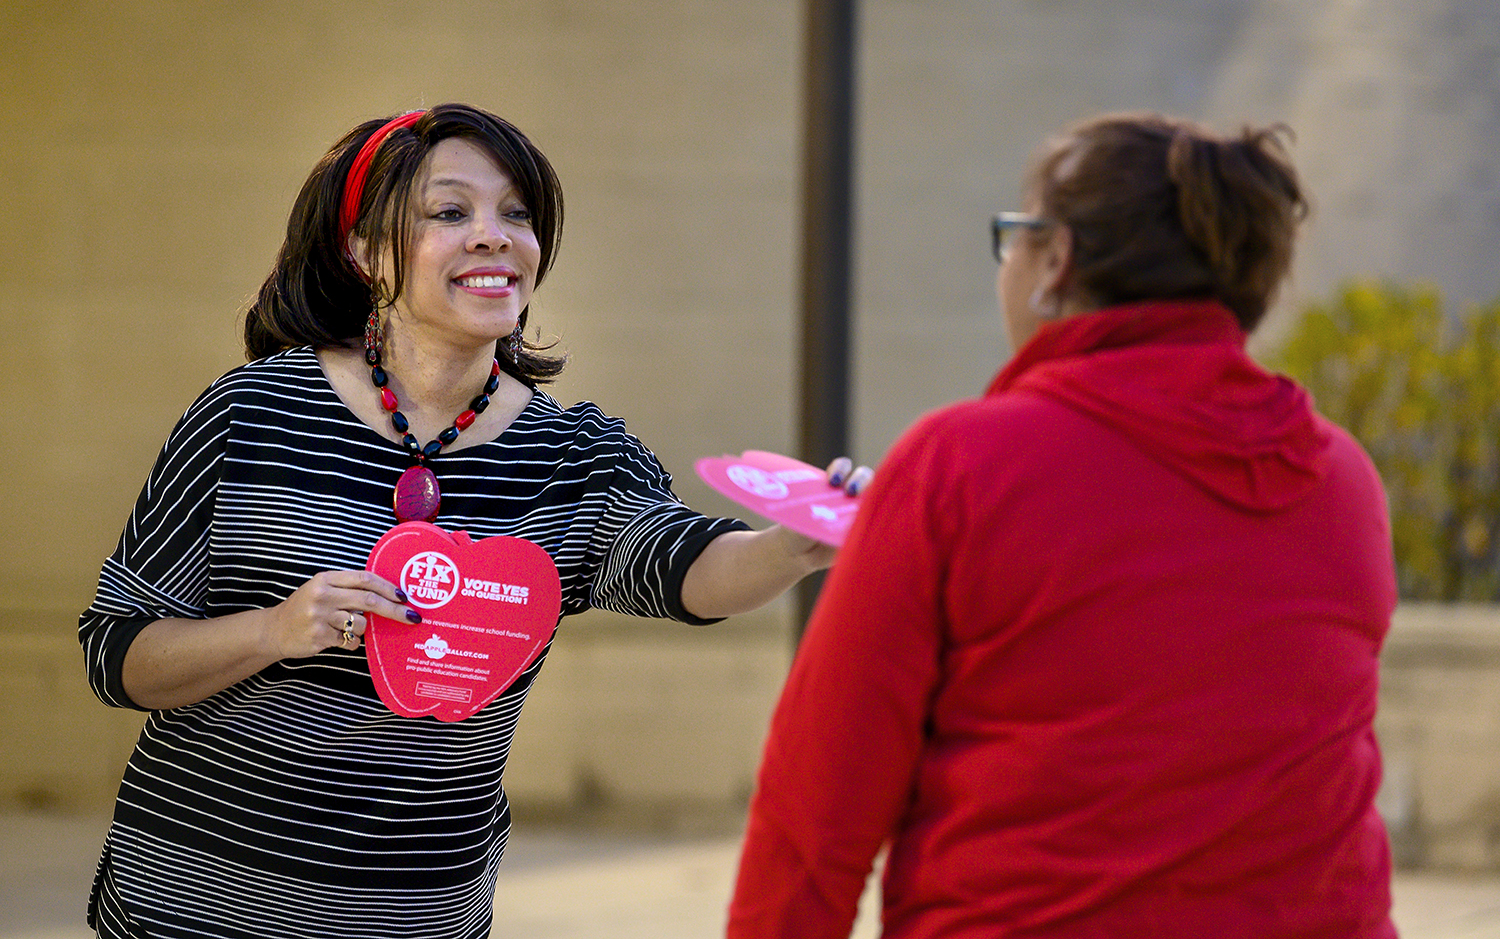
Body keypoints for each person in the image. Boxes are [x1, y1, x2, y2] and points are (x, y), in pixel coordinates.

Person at [79, 103, 866, 939]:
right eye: (450, 212)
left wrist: (793, 545)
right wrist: (274, 630)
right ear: (366, 251)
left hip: (421, 918)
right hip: (189, 909)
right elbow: (114, 653)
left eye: (516, 213)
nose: (495, 236)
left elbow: (688, 569)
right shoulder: (251, 412)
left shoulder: (574, 454)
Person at [727, 113, 1398, 938]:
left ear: (1056, 262)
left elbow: (815, 812)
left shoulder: (959, 466)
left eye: (1015, 234)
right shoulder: (1342, 481)